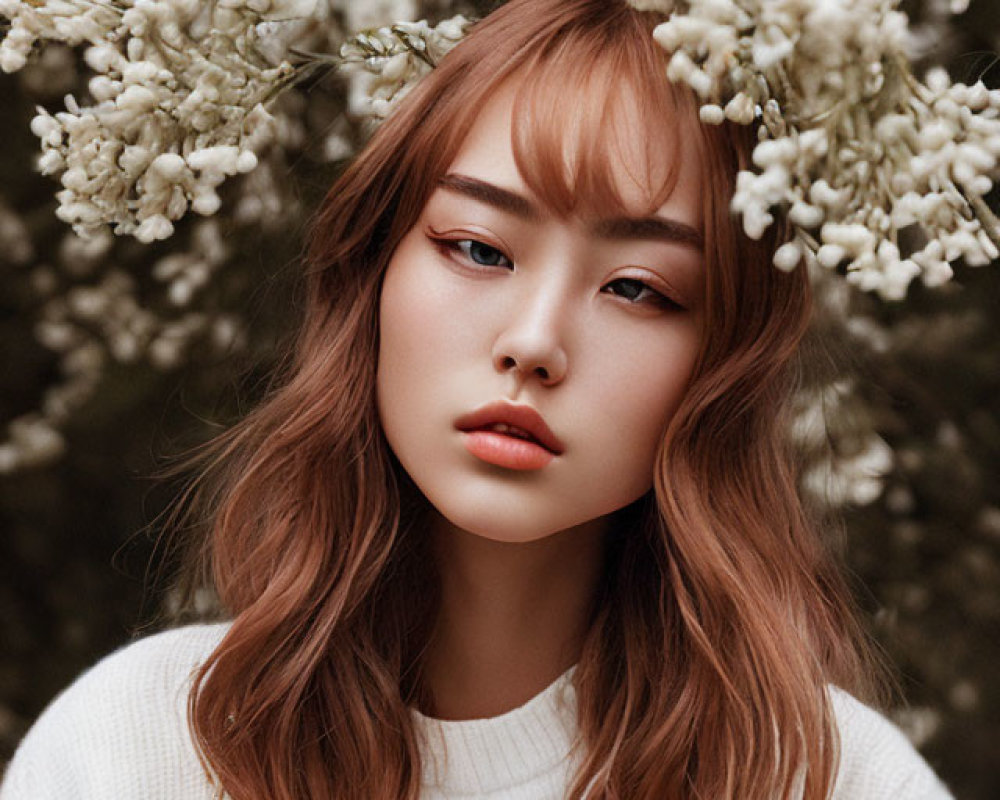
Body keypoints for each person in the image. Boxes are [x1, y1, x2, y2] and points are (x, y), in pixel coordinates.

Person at [0, 0, 958, 798]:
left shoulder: (826, 779)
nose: (534, 342)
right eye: (479, 249)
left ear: (726, 364)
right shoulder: (135, 753)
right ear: (373, 272)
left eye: (637, 288)